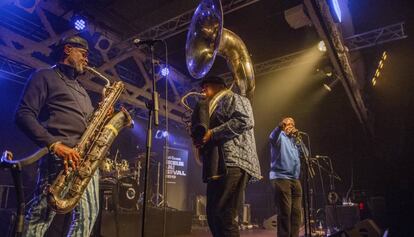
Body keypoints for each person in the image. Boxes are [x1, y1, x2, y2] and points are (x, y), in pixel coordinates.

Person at [15, 35, 99, 237]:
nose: (86, 60)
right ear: (68, 49)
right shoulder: (44, 76)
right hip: (60, 159)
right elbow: (23, 115)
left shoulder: (82, 91)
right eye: (83, 54)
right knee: (41, 215)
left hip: (86, 161)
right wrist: (54, 145)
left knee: (88, 217)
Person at [192, 76, 262, 237]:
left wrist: (212, 132)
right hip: (219, 165)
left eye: (206, 86)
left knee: (224, 215)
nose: (202, 90)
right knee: (213, 215)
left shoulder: (234, 98)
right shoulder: (213, 106)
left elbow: (245, 120)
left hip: (234, 162)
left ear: (218, 86)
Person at [269, 117, 306, 237]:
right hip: (281, 178)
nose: (291, 126)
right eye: (288, 124)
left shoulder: (295, 140)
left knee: (296, 213)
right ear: (284, 126)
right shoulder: (280, 137)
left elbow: (306, 155)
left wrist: (299, 140)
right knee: (285, 212)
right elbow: (272, 137)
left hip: (295, 179)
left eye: (293, 124)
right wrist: (280, 126)